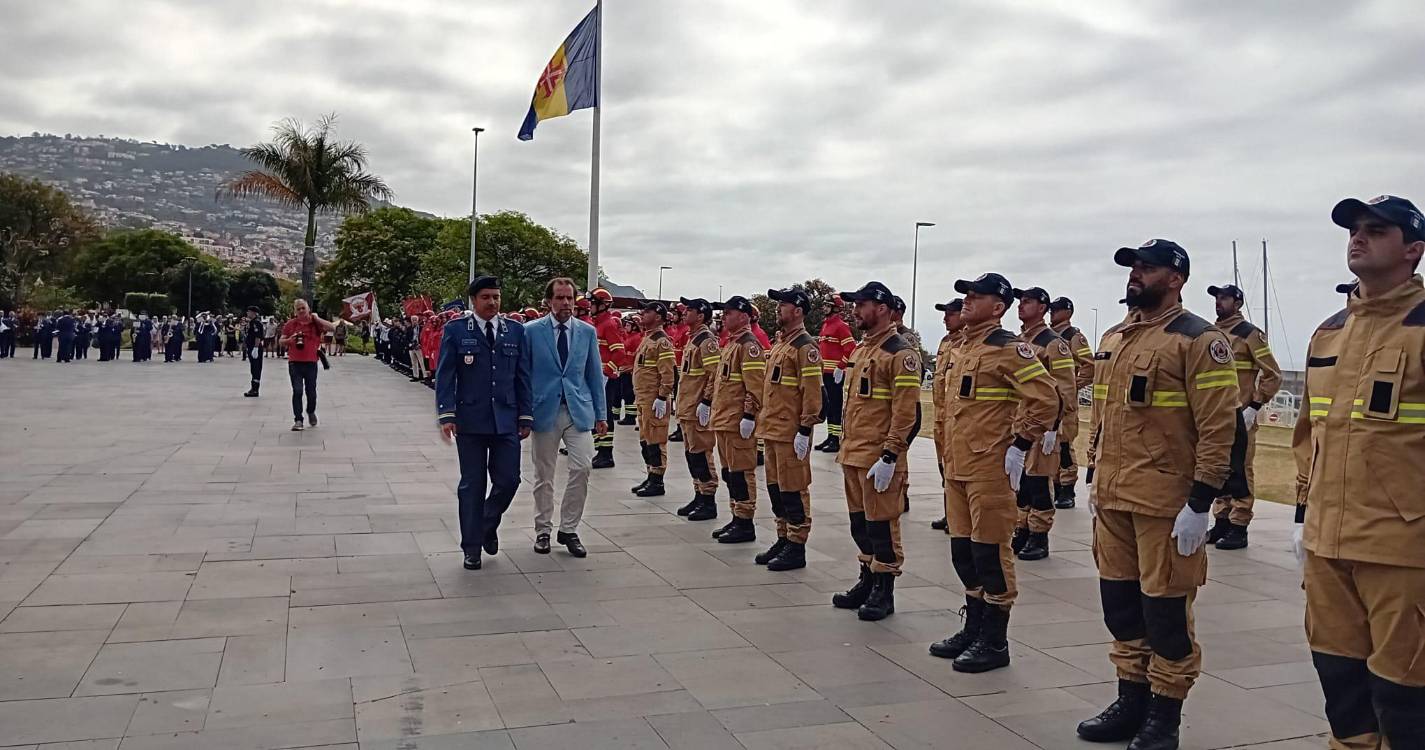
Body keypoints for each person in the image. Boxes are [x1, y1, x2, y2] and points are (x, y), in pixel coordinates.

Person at [1076, 239, 1237, 750]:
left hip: (1166, 503)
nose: (1135, 274)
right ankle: (1131, 700)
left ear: (1175, 278)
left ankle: (1164, 715)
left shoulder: (1198, 339)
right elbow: (1106, 415)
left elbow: (1219, 428)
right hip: (1113, 497)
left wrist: (1201, 501)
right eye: (1132, 267)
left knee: (1165, 615)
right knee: (1120, 608)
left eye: (1146, 268)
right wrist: (1094, 471)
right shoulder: (1115, 337)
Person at [1291, 195, 1425, 750]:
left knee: (1405, 697)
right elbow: (1308, 434)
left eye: (1376, 230)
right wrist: (1304, 515)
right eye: (1353, 229)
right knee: (1341, 688)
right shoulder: (1330, 331)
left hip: (1403, 549)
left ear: (1414, 250)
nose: (1358, 238)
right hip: (1328, 545)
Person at [928, 273, 1057, 669]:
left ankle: (995, 640)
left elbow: (1046, 399)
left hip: (989, 467)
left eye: (977, 295)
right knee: (963, 554)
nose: (967, 300)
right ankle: (974, 627)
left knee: (990, 554)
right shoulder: (961, 347)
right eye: (967, 294)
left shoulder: (1009, 349)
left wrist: (1021, 443)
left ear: (998, 307)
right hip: (958, 465)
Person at [830, 281, 921, 621]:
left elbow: (906, 412)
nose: (855, 311)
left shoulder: (900, 354)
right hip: (853, 451)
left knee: (882, 527)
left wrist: (891, 454)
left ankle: (884, 589)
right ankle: (867, 580)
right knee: (860, 525)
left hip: (878, 456)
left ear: (882, 308)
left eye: (861, 305)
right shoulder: (861, 350)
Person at [436, 275, 533, 571]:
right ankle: (471, 547)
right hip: (470, 420)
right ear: (474, 300)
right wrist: (447, 414)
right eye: (486, 297)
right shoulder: (456, 330)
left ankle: (487, 524)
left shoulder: (515, 330)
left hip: (506, 419)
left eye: (496, 297)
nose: (492, 302)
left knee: (509, 480)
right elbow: (445, 375)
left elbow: (523, 375)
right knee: (472, 485)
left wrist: (526, 414)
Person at [525, 278, 605, 558]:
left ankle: (569, 528)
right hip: (544, 410)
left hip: (577, 410)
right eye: (559, 298)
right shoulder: (531, 331)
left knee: (582, 467)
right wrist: (522, 413)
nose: (566, 303)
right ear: (549, 301)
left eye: (570, 298)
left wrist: (601, 414)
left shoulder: (586, 332)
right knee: (544, 475)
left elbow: (594, 374)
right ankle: (543, 530)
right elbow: (522, 375)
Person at [1201, 283, 1282, 551]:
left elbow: (1273, 374)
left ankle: (1239, 525)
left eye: (1224, 298)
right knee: (1218, 467)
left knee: (1241, 470)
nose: (1218, 302)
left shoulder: (1250, 334)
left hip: (1241, 415)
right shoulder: (1211, 333)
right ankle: (1221, 521)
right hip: (1215, 415)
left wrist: (1255, 406)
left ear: (1237, 304)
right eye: (1216, 297)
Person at [753, 287, 823, 571]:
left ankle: (797, 544)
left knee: (793, 489)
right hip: (772, 428)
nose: (777, 309)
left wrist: (805, 428)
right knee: (776, 489)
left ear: (798, 310)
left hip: (790, 431)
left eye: (783, 305)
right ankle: (783, 537)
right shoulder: (781, 344)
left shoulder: (805, 347)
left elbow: (812, 392)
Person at [1008, 287, 1076, 562]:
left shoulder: (1053, 343)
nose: (1020, 306)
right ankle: (1022, 527)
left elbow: (1064, 388)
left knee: (1038, 481)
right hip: (1020, 421)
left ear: (1042, 307)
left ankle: (1039, 534)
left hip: (1043, 422)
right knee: (1021, 482)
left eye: (1027, 302)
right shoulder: (1019, 341)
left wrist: (1054, 426)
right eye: (1020, 302)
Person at [708, 296, 766, 544]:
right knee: (729, 473)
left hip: (736, 420)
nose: (724, 317)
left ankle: (745, 521)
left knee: (741, 473)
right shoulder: (732, 343)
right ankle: (735, 515)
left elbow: (755, 386)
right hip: (724, 418)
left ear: (743, 316)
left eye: (729, 313)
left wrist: (749, 415)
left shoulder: (748, 345)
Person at [673, 297, 721, 522]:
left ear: (700, 315)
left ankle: (708, 499)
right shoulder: (693, 338)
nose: (684, 312)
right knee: (692, 454)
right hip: (687, 406)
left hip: (696, 406)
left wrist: (707, 401)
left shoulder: (706, 340)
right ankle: (699, 494)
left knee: (701, 454)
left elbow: (714, 373)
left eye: (689, 310)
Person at [1048, 297, 1094, 508]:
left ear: (1067, 312)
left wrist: (1072, 386)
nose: (1052, 313)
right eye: (1051, 310)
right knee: (1050, 446)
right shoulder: (1048, 336)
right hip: (1049, 400)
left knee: (1065, 444)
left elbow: (1089, 365)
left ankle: (1067, 489)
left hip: (1065, 401)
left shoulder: (1074, 337)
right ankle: (1056, 485)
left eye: (1056, 310)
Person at [629, 301, 677, 498]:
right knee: (645, 440)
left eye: (647, 311)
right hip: (643, 398)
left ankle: (657, 480)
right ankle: (650, 475)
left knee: (655, 441)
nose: (643, 314)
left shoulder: (661, 341)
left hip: (653, 399)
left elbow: (668, 373)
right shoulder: (648, 338)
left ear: (658, 317)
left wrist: (662, 396)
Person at [930, 298, 964, 532]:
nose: (945, 318)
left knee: (956, 467)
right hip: (940, 414)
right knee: (944, 466)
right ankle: (949, 511)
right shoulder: (945, 341)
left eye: (951, 314)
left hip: (955, 415)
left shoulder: (966, 342)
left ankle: (958, 516)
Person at [279, 299, 335, 431]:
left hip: (311, 362)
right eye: (298, 309)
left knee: (311, 391)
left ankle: (311, 411)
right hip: (295, 362)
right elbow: (281, 340)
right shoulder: (291, 324)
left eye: (303, 308)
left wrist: (316, 318)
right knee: (297, 391)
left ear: (308, 308)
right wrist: (289, 340)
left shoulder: (315, 323)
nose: (301, 311)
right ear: (295, 311)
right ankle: (298, 420)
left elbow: (332, 328)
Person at [590, 289, 626, 468]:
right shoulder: (597, 323)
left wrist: (606, 370)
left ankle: (606, 453)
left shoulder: (609, 324)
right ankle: (600, 450)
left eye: (593, 303)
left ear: (602, 305)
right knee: (595, 414)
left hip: (605, 378)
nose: (590, 306)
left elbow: (619, 352)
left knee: (604, 414)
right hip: (596, 378)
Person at [816, 295, 857, 452]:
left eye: (827, 305)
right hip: (825, 373)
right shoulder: (826, 325)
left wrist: (841, 367)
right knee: (828, 407)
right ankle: (830, 436)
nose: (824, 308)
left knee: (835, 406)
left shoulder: (841, 326)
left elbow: (851, 348)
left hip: (834, 374)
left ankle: (836, 439)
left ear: (835, 308)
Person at [242, 306, 265, 398]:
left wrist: (255, 348)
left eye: (249, 311)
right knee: (253, 368)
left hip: (255, 347)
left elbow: (257, 336)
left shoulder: (256, 323)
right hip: (251, 346)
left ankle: (255, 389)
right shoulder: (251, 322)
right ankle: (253, 388)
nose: (247, 313)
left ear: (254, 313)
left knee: (256, 368)